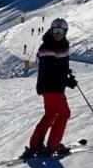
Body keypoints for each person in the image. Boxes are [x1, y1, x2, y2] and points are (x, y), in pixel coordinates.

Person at [22, 18, 77, 159]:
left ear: (65, 32)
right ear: (51, 31)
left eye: (61, 31)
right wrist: (67, 80)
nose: (58, 34)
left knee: (51, 114)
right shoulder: (48, 47)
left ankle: (36, 145)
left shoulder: (59, 44)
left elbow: (59, 64)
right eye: (55, 31)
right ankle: (52, 146)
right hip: (52, 87)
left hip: (49, 87)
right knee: (64, 114)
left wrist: (66, 73)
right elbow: (51, 70)